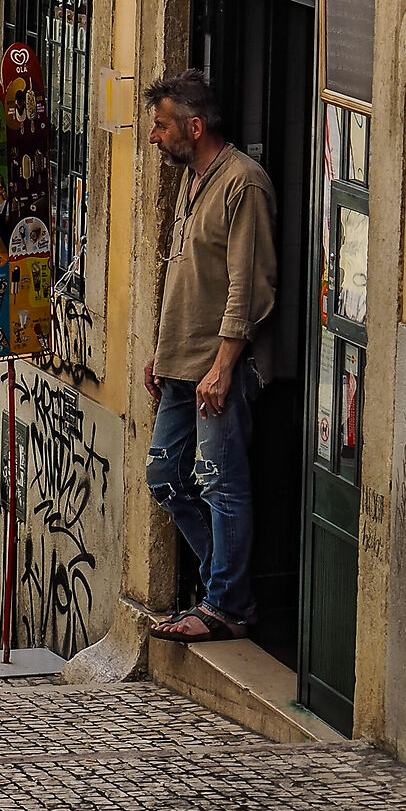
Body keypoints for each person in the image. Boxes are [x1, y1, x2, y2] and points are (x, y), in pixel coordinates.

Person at [142, 68, 279, 646]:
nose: (154, 136)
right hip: (179, 362)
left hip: (216, 367)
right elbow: (188, 274)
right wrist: (160, 350)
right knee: (165, 478)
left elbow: (250, 288)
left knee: (221, 483)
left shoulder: (242, 184)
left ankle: (226, 603)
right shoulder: (194, 178)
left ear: (194, 127)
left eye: (162, 125)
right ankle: (224, 586)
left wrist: (223, 366)